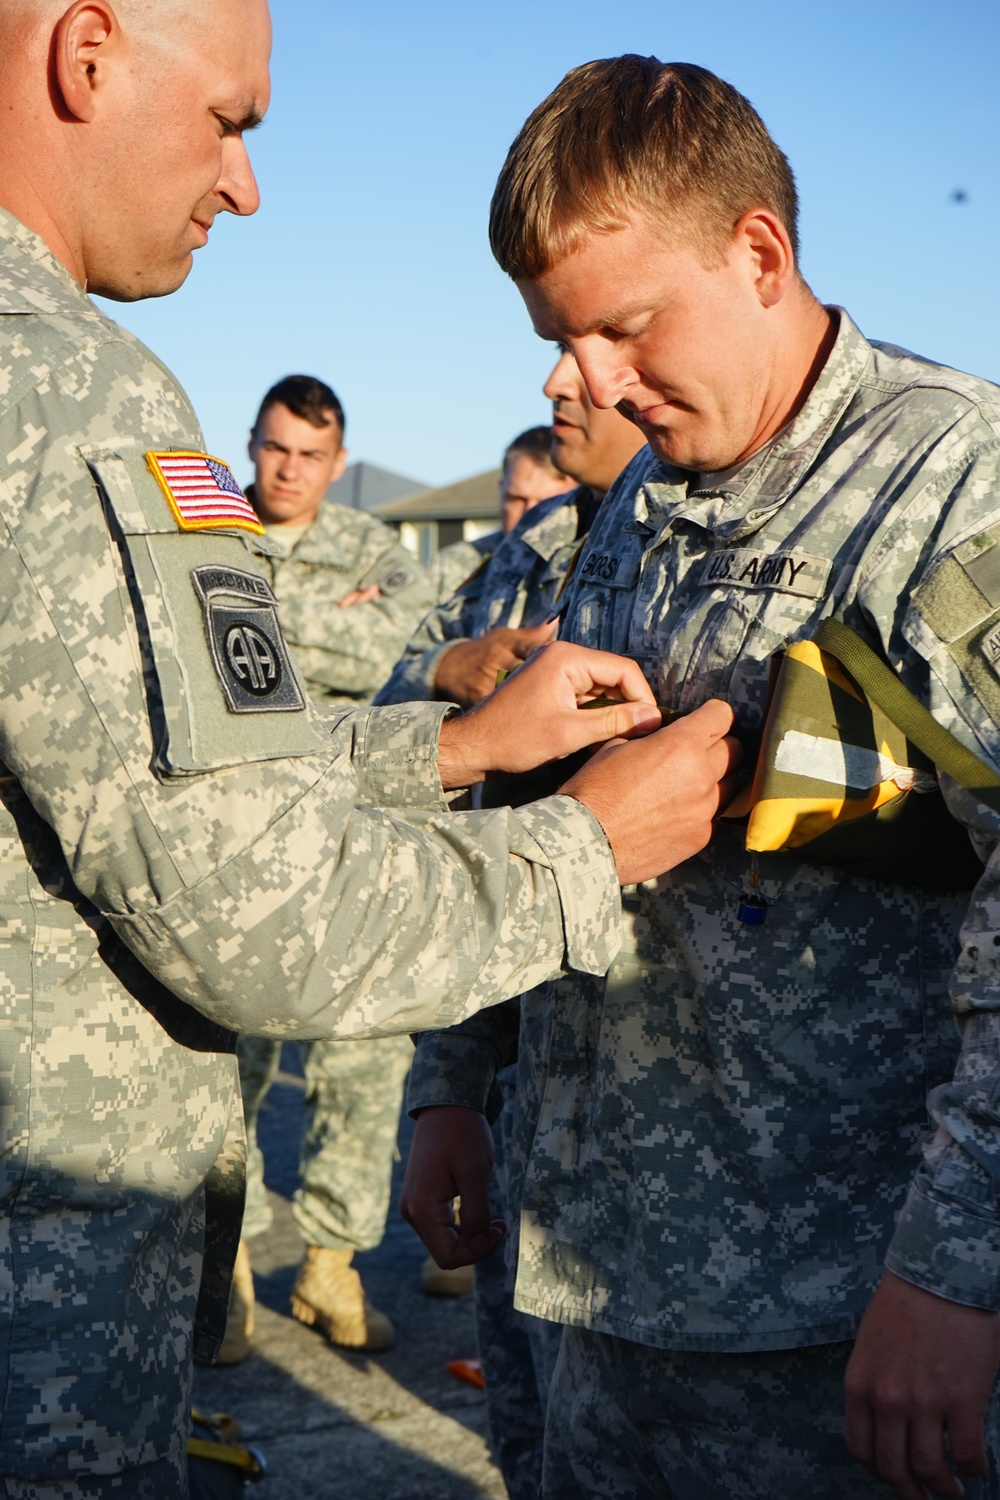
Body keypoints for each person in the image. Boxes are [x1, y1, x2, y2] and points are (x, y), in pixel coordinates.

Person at [0, 9, 743, 1493]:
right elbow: (253, 910)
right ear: (87, 56)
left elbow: (145, 764)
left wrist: (449, 749)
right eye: (233, 121)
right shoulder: (88, 401)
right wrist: (583, 848)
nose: (244, 184)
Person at [399, 55, 1000, 1500]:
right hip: (597, 1286)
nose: (587, 382)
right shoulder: (640, 506)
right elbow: (538, 810)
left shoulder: (957, 487)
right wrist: (452, 1086)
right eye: (564, 338)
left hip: (845, 1326)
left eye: (625, 326)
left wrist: (957, 1267)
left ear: (760, 253)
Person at [389, 348, 646, 1499]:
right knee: (531, 1446)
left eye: (602, 346)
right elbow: (456, 813)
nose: (557, 383)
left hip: (700, 1174)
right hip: (523, 1099)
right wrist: (447, 1087)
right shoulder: (530, 556)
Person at [229, 373, 447, 1362]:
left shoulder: (372, 548)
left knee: (364, 1060)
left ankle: (329, 1266)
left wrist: (261, 606)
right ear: (253, 443)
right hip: (232, 838)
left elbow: (400, 638)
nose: (287, 470)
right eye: (274, 448)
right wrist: (323, 618)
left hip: (355, 838)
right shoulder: (207, 529)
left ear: (338, 462)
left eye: (309, 456)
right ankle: (220, 1270)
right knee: (225, 1064)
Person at [377, 351, 647, 712]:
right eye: (562, 351)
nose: (554, 385)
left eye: (588, 356)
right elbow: (388, 697)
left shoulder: (693, 532)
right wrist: (445, 668)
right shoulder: (536, 529)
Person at [427, 422, 576, 609]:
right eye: (516, 499)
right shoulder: (450, 567)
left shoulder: (581, 567)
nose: (528, 512)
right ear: (501, 490)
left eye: (544, 503)